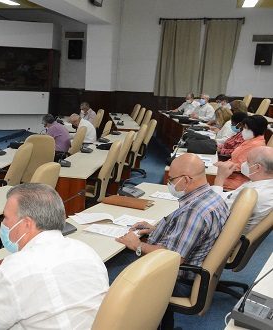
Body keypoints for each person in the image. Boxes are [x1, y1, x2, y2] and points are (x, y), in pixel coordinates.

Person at [0, 183, 109, 329]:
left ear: (26, 224)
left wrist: (12, 268)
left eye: (5, 217)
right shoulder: (87, 252)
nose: (3, 224)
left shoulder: (16, 270)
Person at [115, 153, 229, 297]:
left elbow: (173, 258)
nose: (169, 183)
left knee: (111, 270)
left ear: (186, 180)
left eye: (171, 179)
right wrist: (155, 230)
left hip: (177, 280)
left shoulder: (194, 211)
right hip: (190, 268)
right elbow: (192, 235)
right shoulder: (213, 197)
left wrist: (137, 245)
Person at [212, 146, 273, 234]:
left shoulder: (252, 195)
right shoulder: (261, 183)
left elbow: (212, 210)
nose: (243, 164)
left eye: (248, 161)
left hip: (216, 230)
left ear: (257, 168)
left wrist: (220, 178)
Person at [214, 115, 268, 190]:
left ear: (254, 129)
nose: (243, 130)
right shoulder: (250, 140)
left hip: (238, 179)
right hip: (230, 173)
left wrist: (223, 165)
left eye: (246, 128)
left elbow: (242, 168)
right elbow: (235, 158)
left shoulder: (256, 146)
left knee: (206, 180)